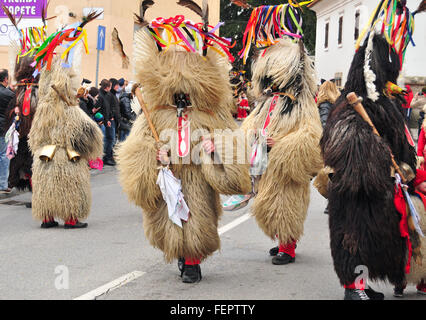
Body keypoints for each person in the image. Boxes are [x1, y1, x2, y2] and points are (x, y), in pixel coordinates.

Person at [116, 2, 251, 284]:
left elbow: (233, 145)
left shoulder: (213, 112)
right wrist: (153, 155)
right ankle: (180, 254)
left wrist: (217, 148)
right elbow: (134, 148)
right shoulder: (154, 113)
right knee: (168, 223)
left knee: (197, 221)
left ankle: (192, 262)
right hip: (168, 178)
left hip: (199, 179)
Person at [321, 0, 421, 300]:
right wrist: (378, 157)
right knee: (353, 239)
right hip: (355, 194)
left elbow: (399, 139)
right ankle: (354, 290)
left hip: (378, 193)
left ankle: (364, 286)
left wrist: (405, 163)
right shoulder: (349, 107)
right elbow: (343, 147)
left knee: (373, 240)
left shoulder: (382, 106)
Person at [239, 4, 323, 267]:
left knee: (287, 204)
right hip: (266, 161)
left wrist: (284, 144)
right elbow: (249, 123)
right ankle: (280, 242)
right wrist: (251, 134)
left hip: (287, 165)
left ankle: (288, 247)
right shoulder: (270, 101)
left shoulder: (302, 103)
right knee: (269, 204)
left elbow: (311, 134)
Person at [28, 19, 104, 229]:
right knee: (70, 186)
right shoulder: (70, 110)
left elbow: (33, 138)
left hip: (44, 155)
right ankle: (71, 219)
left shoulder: (41, 110)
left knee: (46, 187)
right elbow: (88, 135)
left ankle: (47, 218)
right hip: (66, 157)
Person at [393, 169, 426, 297]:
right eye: (424, 182)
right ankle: (400, 285)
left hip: (423, 237)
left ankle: (423, 284)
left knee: (423, 263)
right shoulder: (408, 199)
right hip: (410, 237)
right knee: (405, 261)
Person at [0, 69, 16, 194]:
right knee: (4, 156)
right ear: (5, 79)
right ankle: (3, 184)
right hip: (3, 128)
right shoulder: (10, 94)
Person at [97, 79, 116, 166]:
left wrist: (108, 119)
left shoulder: (106, 95)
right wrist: (103, 120)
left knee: (109, 139)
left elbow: (107, 108)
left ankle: (106, 157)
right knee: (103, 140)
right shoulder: (100, 95)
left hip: (106, 120)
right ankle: (102, 159)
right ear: (107, 87)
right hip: (101, 122)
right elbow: (98, 110)